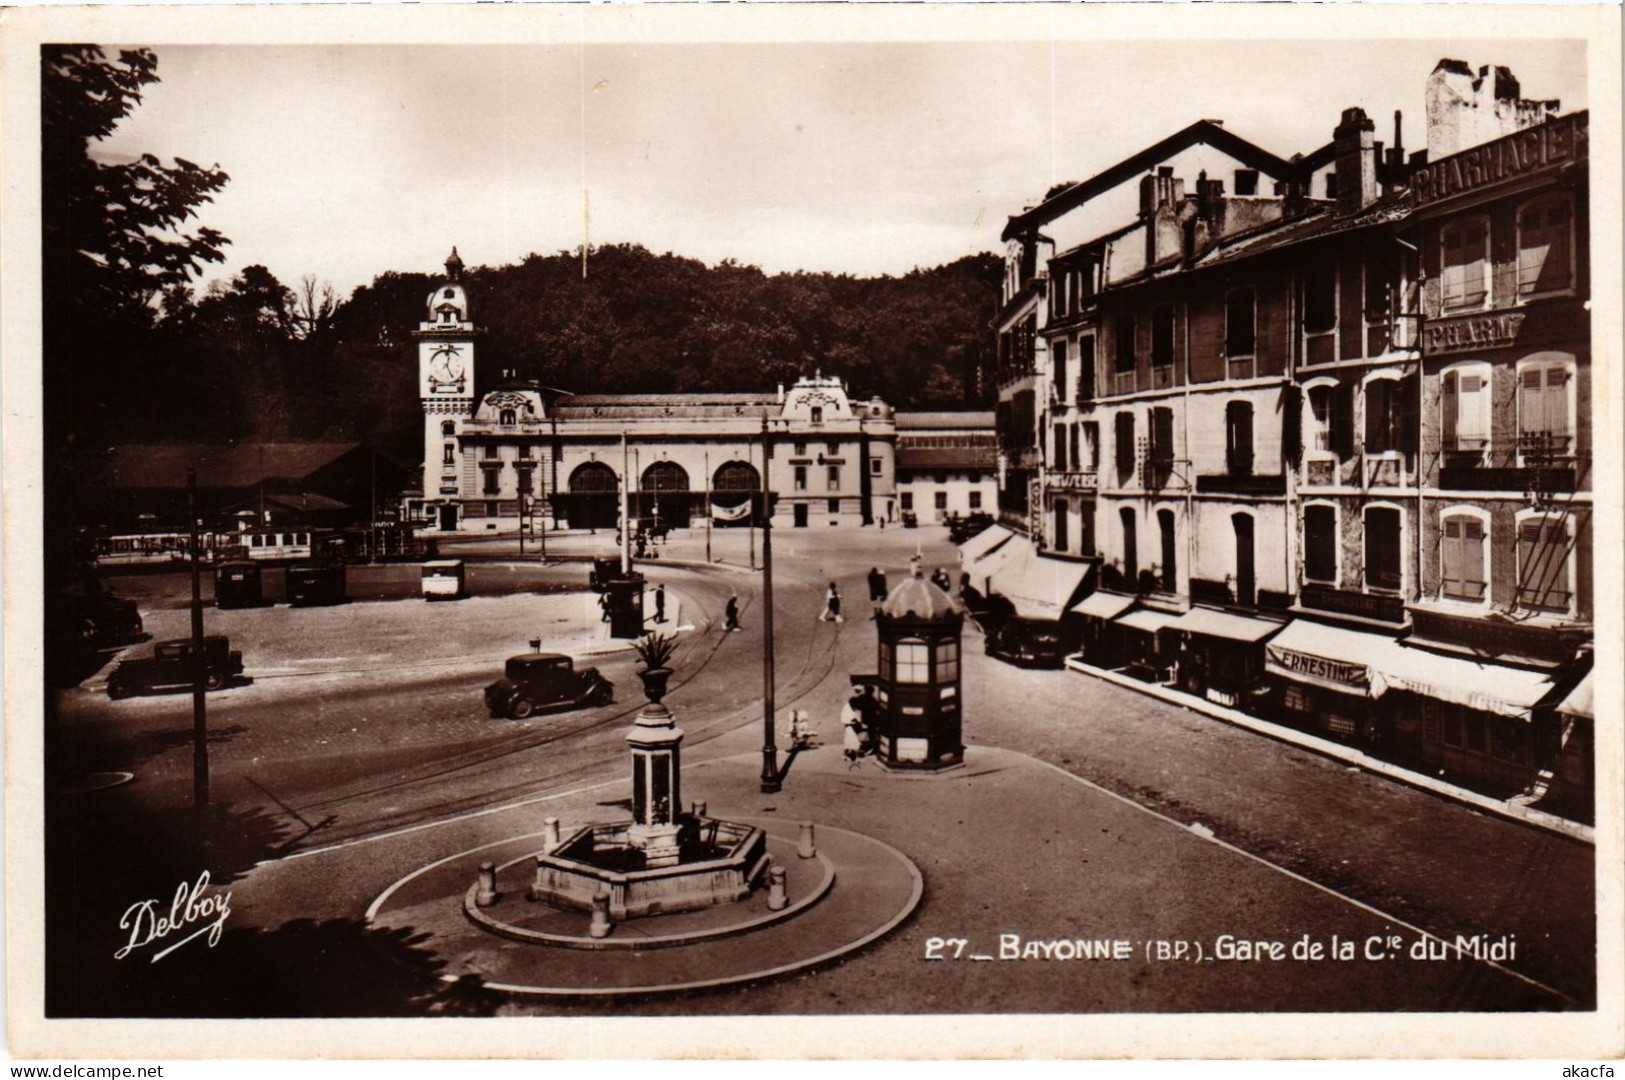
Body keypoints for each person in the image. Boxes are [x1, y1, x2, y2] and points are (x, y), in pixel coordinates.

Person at [841, 689, 871, 764]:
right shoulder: (847, 709)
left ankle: (847, 755)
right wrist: (859, 724)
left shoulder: (850, 707)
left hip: (851, 727)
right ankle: (855, 757)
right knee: (854, 743)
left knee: (850, 742)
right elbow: (850, 719)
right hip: (850, 727)